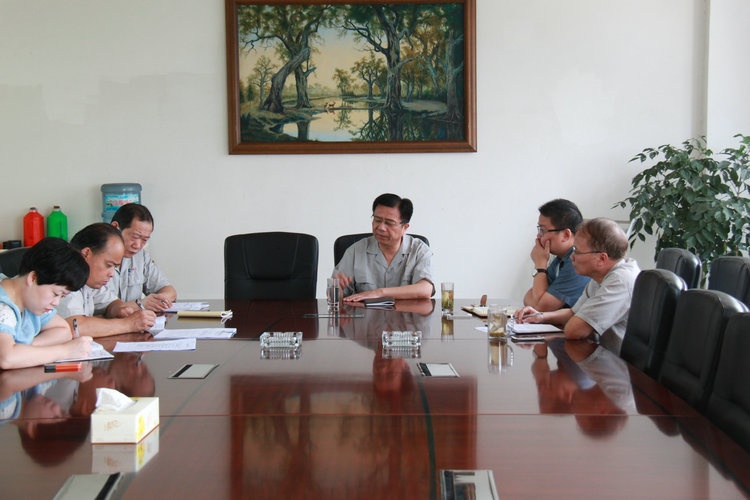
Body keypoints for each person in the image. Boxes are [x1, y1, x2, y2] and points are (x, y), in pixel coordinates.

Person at [514, 218, 640, 354]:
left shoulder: (620, 280)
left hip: (621, 364)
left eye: (577, 251)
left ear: (602, 258)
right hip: (602, 356)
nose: (572, 257)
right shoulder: (601, 276)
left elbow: (575, 331)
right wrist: (541, 316)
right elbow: (573, 312)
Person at [0, 238, 93, 369]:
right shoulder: (3, 307)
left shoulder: (29, 301)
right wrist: (65, 351)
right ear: (33, 278)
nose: (56, 302)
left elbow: (64, 331)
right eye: (55, 294)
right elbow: (6, 358)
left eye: (62, 296)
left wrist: (25, 350)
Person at [57, 223, 156, 338]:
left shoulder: (89, 281)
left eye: (115, 267)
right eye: (109, 265)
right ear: (86, 253)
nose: (112, 274)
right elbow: (75, 327)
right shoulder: (64, 278)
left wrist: (121, 310)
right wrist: (128, 324)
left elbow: (111, 303)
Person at [333, 193, 434, 302]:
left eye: (389, 223)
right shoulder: (356, 250)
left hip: (406, 312)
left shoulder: (419, 250)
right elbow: (337, 296)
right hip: (365, 313)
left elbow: (426, 289)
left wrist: (380, 293)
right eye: (377, 220)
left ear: (405, 227)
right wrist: (337, 289)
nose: (381, 227)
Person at [523, 199, 590, 311]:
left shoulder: (577, 261)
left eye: (543, 230)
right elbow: (529, 297)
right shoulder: (561, 259)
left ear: (566, 235)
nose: (538, 236)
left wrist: (540, 265)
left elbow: (541, 308)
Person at [109, 203, 176, 313]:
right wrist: (139, 304)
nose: (137, 245)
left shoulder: (140, 256)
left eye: (144, 240)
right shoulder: (96, 258)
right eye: (134, 237)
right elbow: (106, 310)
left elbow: (169, 290)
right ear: (115, 227)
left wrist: (157, 300)